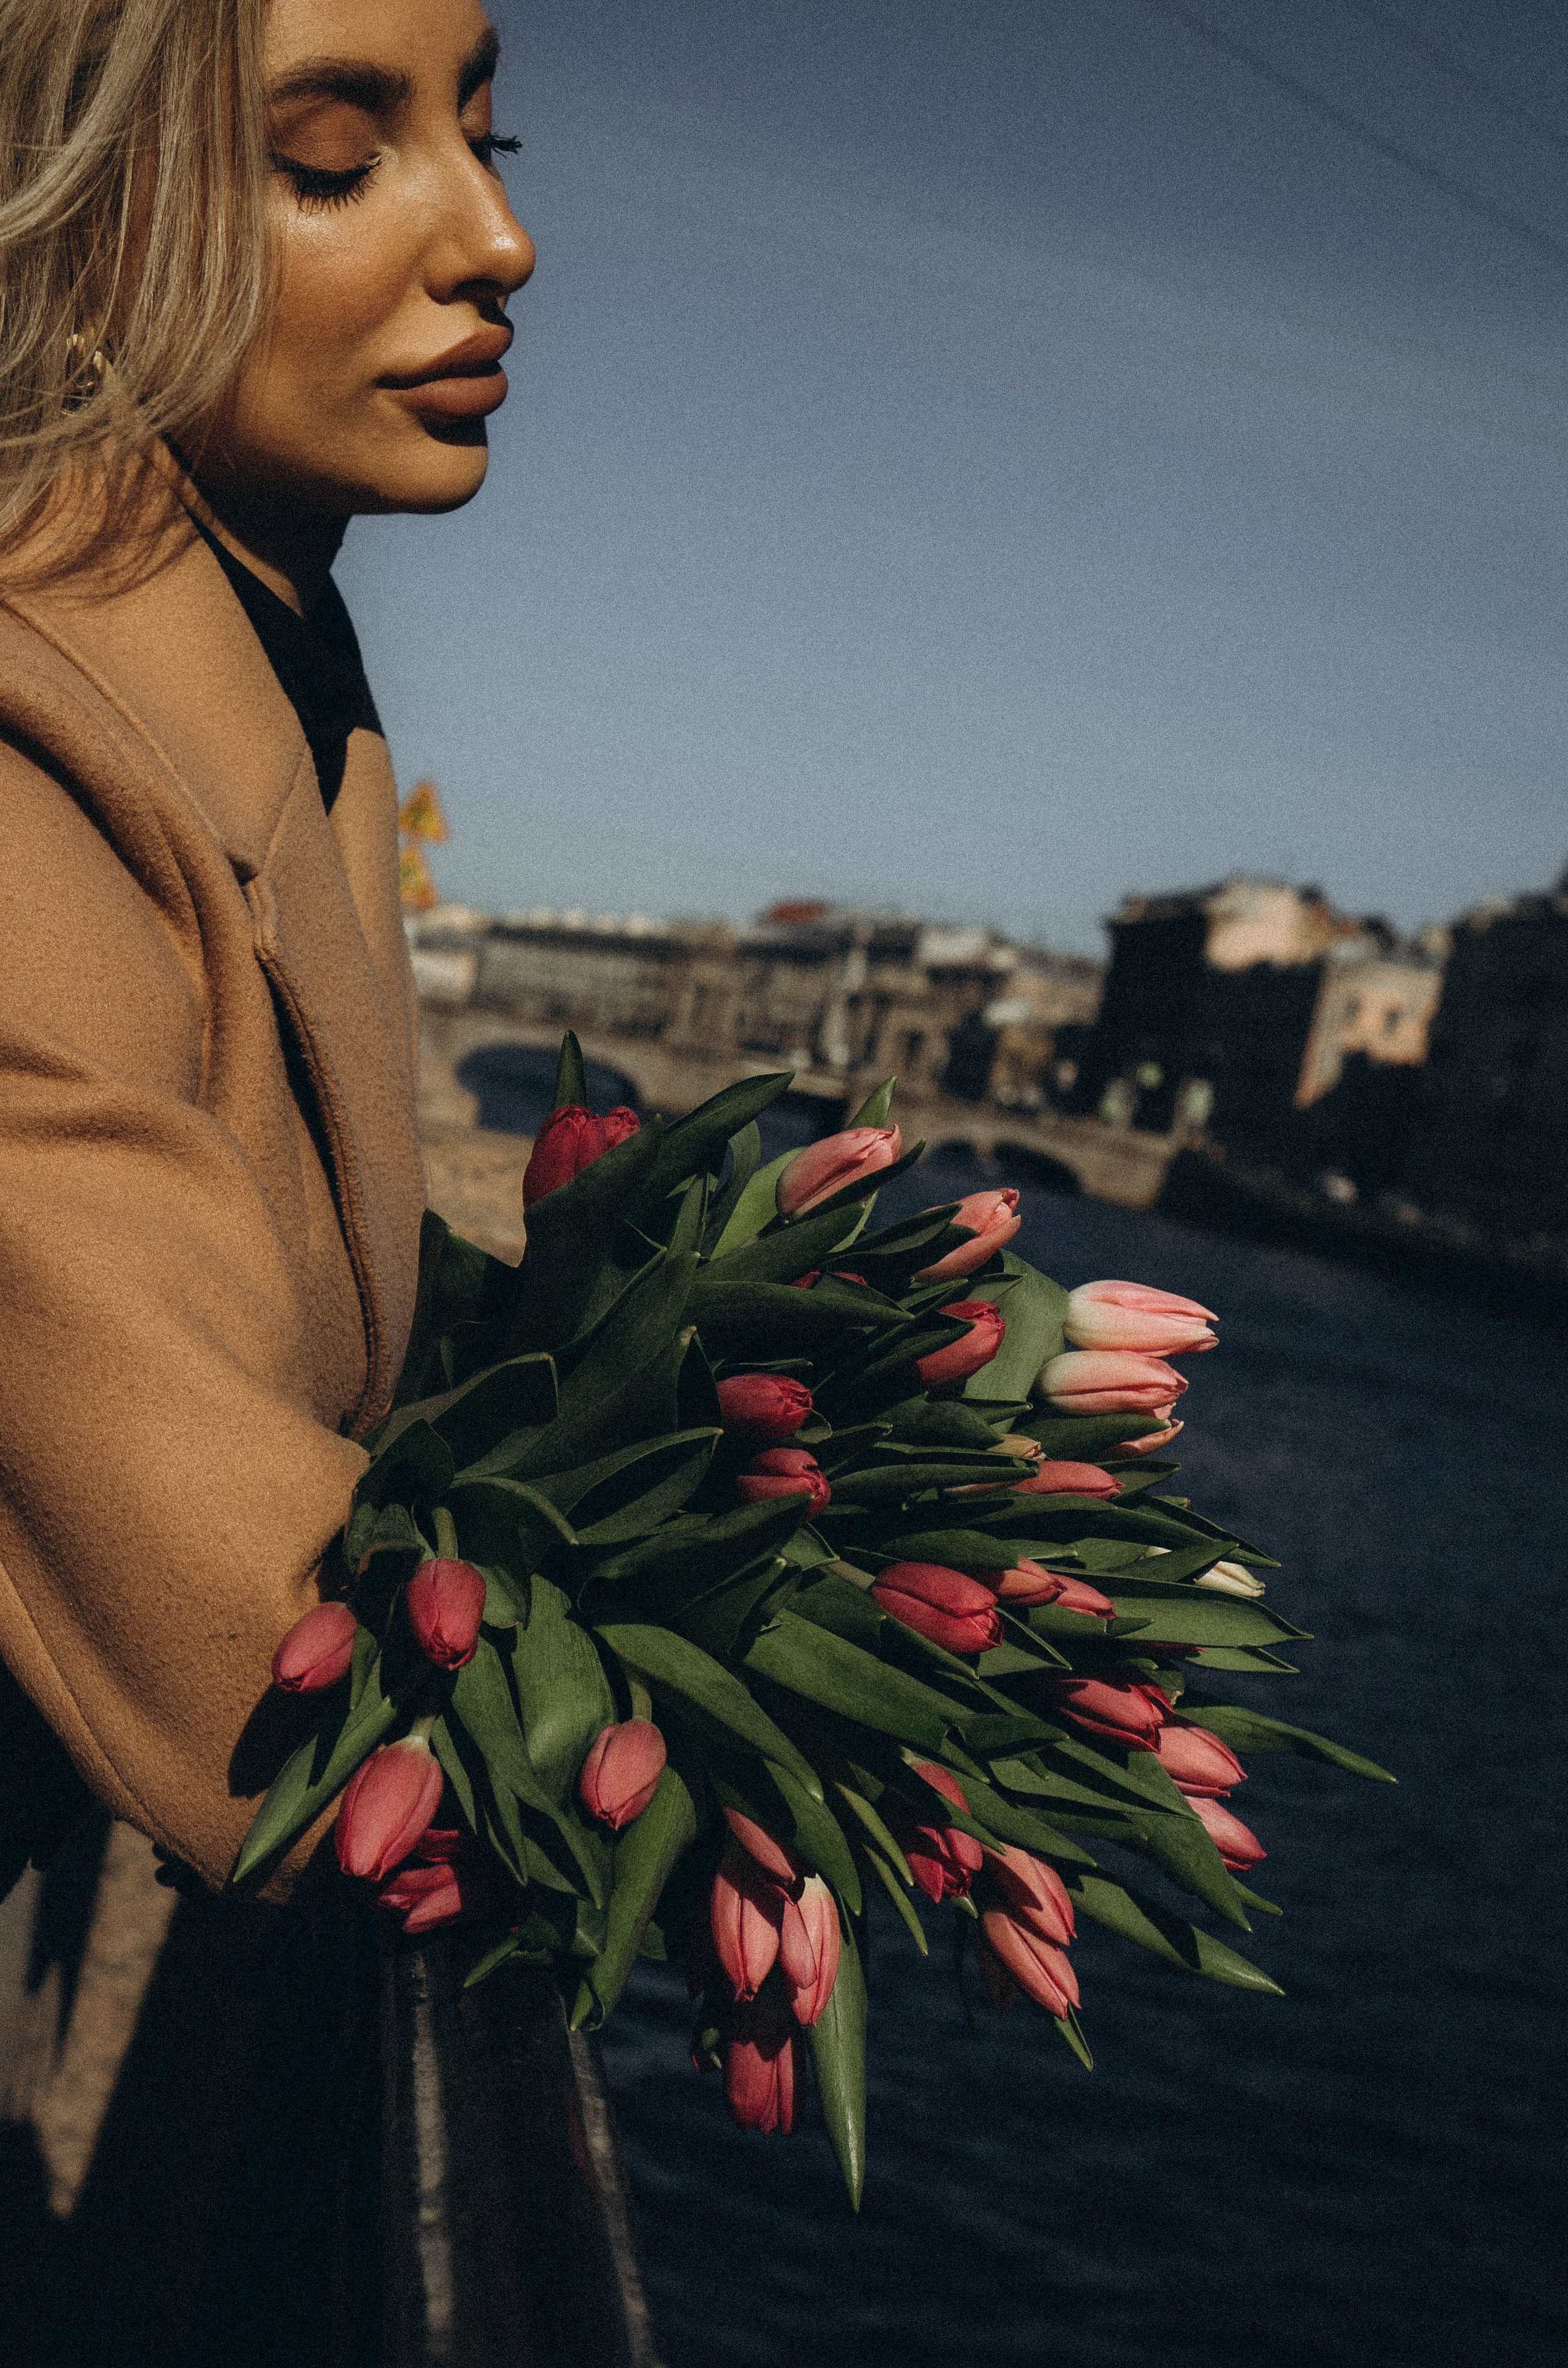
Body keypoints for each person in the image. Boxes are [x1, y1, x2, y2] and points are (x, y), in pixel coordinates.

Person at [0, 2, 534, 2358]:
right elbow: (281, 1656)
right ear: (68, 223)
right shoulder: (36, 741)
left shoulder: (257, 629)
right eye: (337, 160)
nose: (499, 236)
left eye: (487, 132)